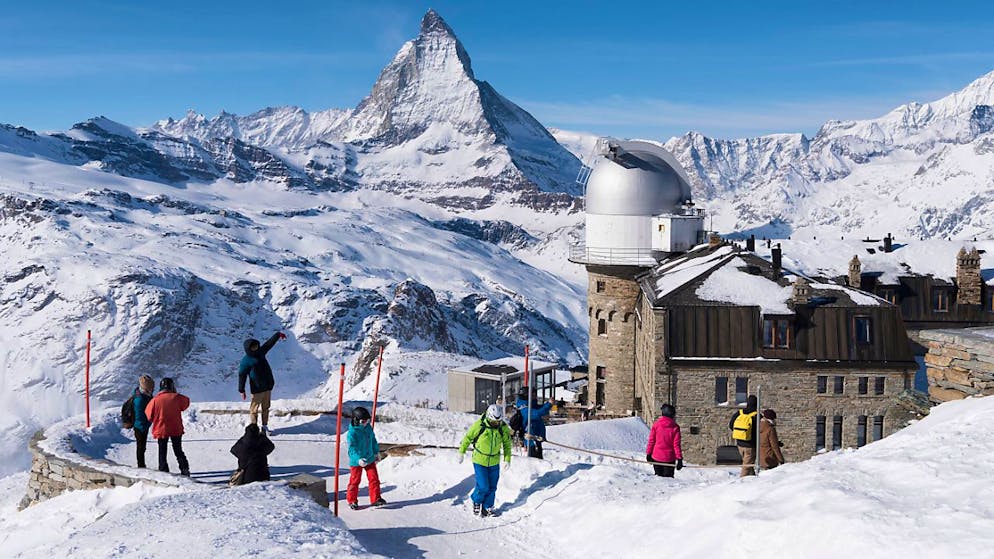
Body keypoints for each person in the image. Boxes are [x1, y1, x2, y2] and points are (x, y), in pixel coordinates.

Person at [457, 404, 512, 517]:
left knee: (492, 487)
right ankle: (476, 501)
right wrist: (461, 452)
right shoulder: (479, 425)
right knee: (483, 486)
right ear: (488, 417)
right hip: (479, 460)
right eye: (493, 422)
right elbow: (467, 438)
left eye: (498, 422)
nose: (496, 424)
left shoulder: (502, 427)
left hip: (494, 461)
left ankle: (488, 507)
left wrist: (507, 459)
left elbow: (507, 444)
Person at [238, 331, 286, 434]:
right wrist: (241, 390)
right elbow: (242, 376)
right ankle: (254, 428)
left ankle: (264, 427)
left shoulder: (261, 352)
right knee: (254, 410)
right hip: (257, 389)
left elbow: (269, 344)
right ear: (248, 349)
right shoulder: (246, 361)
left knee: (266, 408)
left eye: (256, 346)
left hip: (267, 386)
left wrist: (278, 335)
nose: (256, 348)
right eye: (253, 347)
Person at [145, 377, 191, 475]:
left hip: (161, 429)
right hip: (176, 428)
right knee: (178, 450)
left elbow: (148, 415)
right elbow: (186, 403)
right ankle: (184, 469)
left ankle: (163, 471)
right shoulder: (177, 397)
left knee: (162, 451)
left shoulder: (154, 400)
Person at [346, 406, 385, 510]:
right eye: (363, 421)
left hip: (369, 457)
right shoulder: (352, 433)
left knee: (374, 479)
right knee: (355, 481)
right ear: (356, 420)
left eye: (367, 421)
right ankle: (352, 500)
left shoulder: (368, 428)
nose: (366, 423)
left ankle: (376, 499)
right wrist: (358, 459)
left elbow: (373, 440)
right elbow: (351, 450)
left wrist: (376, 452)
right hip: (357, 461)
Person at [646, 403, 683, 477]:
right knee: (668, 482)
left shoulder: (656, 425)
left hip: (656, 457)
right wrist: (679, 459)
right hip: (669, 459)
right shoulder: (675, 427)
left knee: (659, 480)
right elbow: (676, 445)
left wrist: (649, 454)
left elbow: (651, 441)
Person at [516, 389, 552, 459]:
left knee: (540, 460)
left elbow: (539, 408)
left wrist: (548, 404)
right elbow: (537, 413)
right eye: (533, 395)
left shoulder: (531, 404)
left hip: (537, 437)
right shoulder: (524, 407)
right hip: (531, 439)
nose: (535, 397)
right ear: (527, 396)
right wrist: (549, 405)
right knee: (534, 462)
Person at [728, 394, 759, 477]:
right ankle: (741, 483)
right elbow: (760, 431)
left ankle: (753, 478)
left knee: (748, 464)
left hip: (739, 444)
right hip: (750, 445)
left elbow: (731, 425)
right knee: (746, 466)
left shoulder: (739, 413)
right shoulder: (757, 415)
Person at [132, 374, 155, 468]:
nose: (153, 390)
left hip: (141, 425)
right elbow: (140, 416)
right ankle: (141, 465)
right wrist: (148, 423)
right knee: (141, 446)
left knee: (142, 446)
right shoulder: (140, 400)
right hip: (140, 426)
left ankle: (141, 464)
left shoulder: (143, 395)